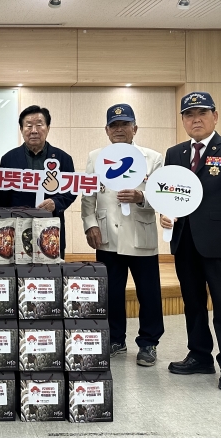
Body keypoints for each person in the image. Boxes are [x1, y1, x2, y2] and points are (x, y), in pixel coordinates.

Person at [160, 92, 221, 392]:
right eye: (189, 114)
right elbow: (171, 194)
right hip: (184, 241)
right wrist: (167, 215)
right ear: (183, 120)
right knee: (193, 302)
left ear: (215, 115)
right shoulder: (174, 153)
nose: (195, 118)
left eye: (202, 112)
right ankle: (199, 356)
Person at [81, 104, 164, 366]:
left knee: (148, 292)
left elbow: (163, 196)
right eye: (114, 125)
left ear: (135, 128)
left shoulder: (153, 157)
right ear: (106, 130)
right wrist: (89, 224)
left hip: (141, 234)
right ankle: (116, 339)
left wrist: (142, 197)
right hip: (107, 235)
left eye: (125, 124)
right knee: (111, 292)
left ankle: (149, 343)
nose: (119, 129)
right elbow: (87, 197)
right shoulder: (95, 157)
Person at [0, 105, 76, 258]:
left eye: (39, 125)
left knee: (51, 276)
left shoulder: (63, 158)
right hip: (17, 228)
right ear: (21, 129)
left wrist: (56, 203)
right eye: (28, 125)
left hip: (51, 227)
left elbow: (70, 191)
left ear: (48, 128)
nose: (34, 130)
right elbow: (4, 199)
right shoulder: (8, 159)